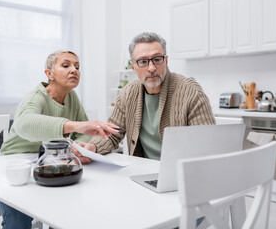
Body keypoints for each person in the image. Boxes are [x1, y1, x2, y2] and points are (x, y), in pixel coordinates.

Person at [0, 49, 119, 229]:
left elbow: (83, 133)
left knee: (69, 209)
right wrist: (74, 125)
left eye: (77, 67)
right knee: (19, 218)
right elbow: (24, 124)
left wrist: (81, 145)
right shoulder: (36, 96)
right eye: (66, 65)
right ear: (49, 74)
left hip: (49, 165)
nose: (74, 70)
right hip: (14, 167)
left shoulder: (72, 97)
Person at [83, 32, 215, 159]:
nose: (151, 68)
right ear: (133, 66)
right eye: (143, 61)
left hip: (181, 173)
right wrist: (92, 147)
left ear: (166, 61)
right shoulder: (128, 93)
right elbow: (112, 134)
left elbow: (207, 146)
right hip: (142, 173)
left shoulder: (191, 92)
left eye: (157, 59)